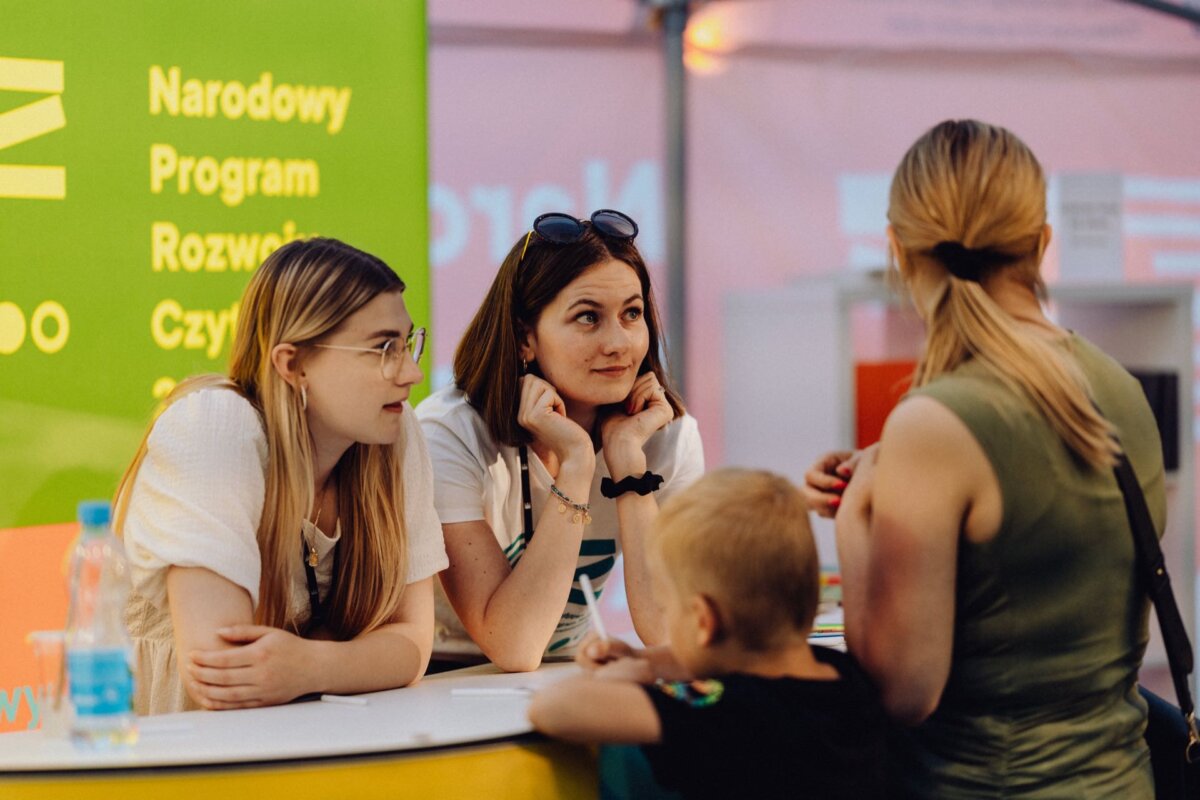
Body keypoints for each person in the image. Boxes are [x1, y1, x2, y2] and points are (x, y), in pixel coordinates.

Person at [828, 120, 1165, 797]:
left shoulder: (937, 421)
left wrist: (856, 523)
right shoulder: (1121, 388)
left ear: (897, 250)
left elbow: (903, 689)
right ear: (1042, 243)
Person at [113, 237, 448, 715]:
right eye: (383, 349)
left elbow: (413, 647)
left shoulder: (394, 432)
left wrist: (312, 664)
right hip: (168, 759)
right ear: (293, 365)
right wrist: (349, 657)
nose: (412, 373)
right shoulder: (213, 427)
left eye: (409, 343)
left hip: (298, 743)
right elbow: (223, 676)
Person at [416, 210, 704, 671]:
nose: (619, 343)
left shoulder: (663, 436)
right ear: (525, 337)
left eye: (632, 313)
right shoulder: (449, 433)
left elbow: (672, 632)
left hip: (563, 671)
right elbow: (513, 645)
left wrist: (628, 463)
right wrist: (575, 463)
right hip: (442, 678)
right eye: (588, 317)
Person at [528, 468, 886, 800]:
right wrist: (646, 660)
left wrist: (626, 676)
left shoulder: (721, 715)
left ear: (702, 620)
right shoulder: (847, 677)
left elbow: (553, 707)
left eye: (668, 609)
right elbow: (731, 656)